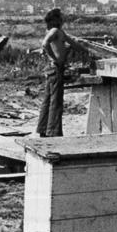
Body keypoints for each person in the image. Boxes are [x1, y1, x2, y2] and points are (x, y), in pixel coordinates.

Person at [36, 8, 76, 137]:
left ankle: (43, 129)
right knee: (56, 101)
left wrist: (85, 49)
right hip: (56, 68)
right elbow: (44, 44)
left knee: (48, 100)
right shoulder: (54, 31)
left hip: (52, 68)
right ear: (55, 20)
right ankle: (53, 132)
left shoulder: (59, 32)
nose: (62, 20)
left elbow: (72, 43)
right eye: (60, 18)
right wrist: (54, 59)